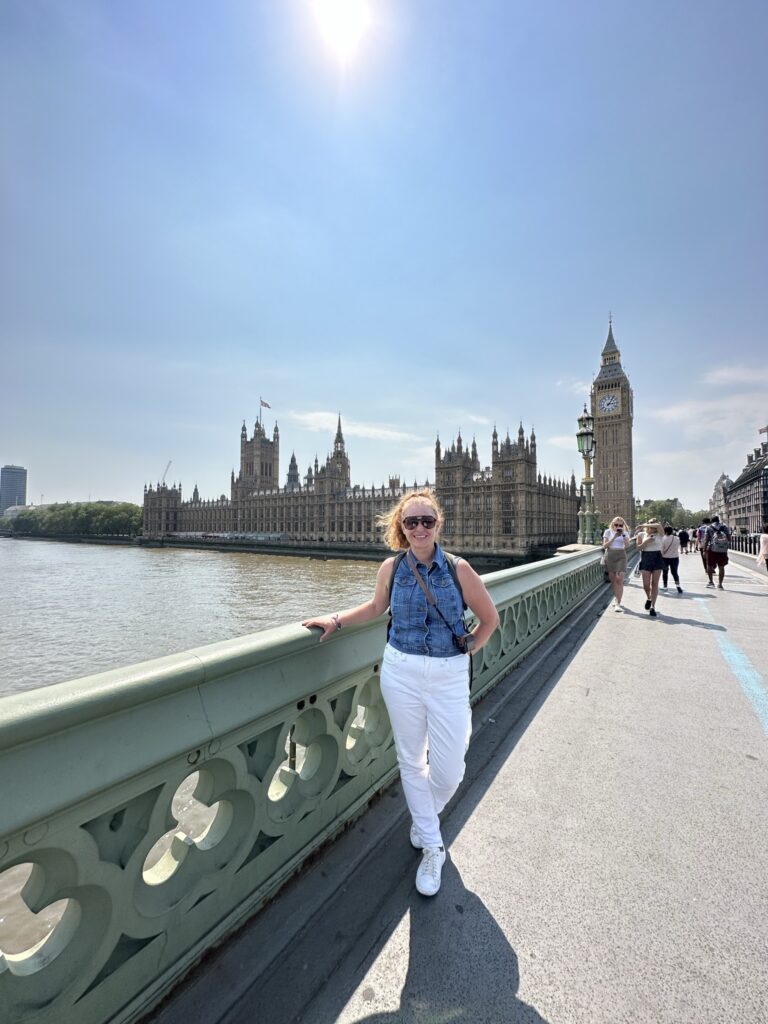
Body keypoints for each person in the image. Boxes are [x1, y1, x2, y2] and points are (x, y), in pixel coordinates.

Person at [302, 491, 499, 898]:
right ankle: (432, 844)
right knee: (411, 761)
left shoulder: (459, 569)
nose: (420, 528)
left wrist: (465, 651)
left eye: (427, 521)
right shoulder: (392, 568)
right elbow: (376, 608)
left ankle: (424, 817)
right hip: (401, 672)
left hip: (447, 674)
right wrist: (336, 620)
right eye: (411, 522)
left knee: (450, 769)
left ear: (438, 524)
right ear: (401, 527)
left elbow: (489, 619)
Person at [637, 519, 665, 617]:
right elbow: (638, 548)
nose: (653, 528)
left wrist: (644, 524)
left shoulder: (660, 534)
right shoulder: (641, 534)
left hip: (657, 557)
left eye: (654, 526)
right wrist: (646, 542)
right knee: (646, 584)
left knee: (655, 583)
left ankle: (653, 606)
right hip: (646, 557)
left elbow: (659, 525)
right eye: (651, 526)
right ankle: (649, 598)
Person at [602, 516, 630, 611]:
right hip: (610, 555)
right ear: (612, 524)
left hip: (621, 555)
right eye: (616, 524)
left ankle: (618, 602)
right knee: (613, 580)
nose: (618, 526)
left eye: (620, 525)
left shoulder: (625, 533)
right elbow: (605, 545)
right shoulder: (607, 532)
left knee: (619, 579)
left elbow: (627, 546)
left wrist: (623, 536)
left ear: (623, 525)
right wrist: (614, 537)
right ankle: (615, 598)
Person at [703, 515, 731, 589]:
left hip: (712, 549)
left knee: (709, 565)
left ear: (712, 521)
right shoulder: (725, 527)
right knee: (721, 567)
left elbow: (706, 540)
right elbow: (729, 538)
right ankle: (720, 584)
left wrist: (704, 550)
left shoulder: (708, 527)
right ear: (718, 520)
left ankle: (711, 582)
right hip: (723, 550)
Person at [660, 525, 683, 593]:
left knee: (665, 572)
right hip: (675, 558)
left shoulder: (663, 539)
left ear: (665, 532)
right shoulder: (677, 538)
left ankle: (665, 586)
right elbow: (678, 545)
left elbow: (661, 550)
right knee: (675, 572)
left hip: (665, 558)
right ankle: (678, 585)